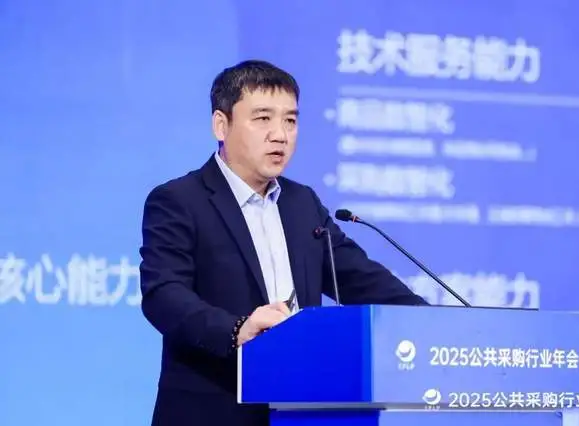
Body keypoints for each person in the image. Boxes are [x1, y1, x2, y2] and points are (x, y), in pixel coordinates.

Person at [138, 59, 429, 426]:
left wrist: (432, 323)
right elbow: (164, 295)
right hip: (213, 410)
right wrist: (236, 329)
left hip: (300, 411)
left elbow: (360, 279)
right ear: (221, 125)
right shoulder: (180, 200)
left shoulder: (302, 203)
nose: (280, 134)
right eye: (263, 118)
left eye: (290, 121)